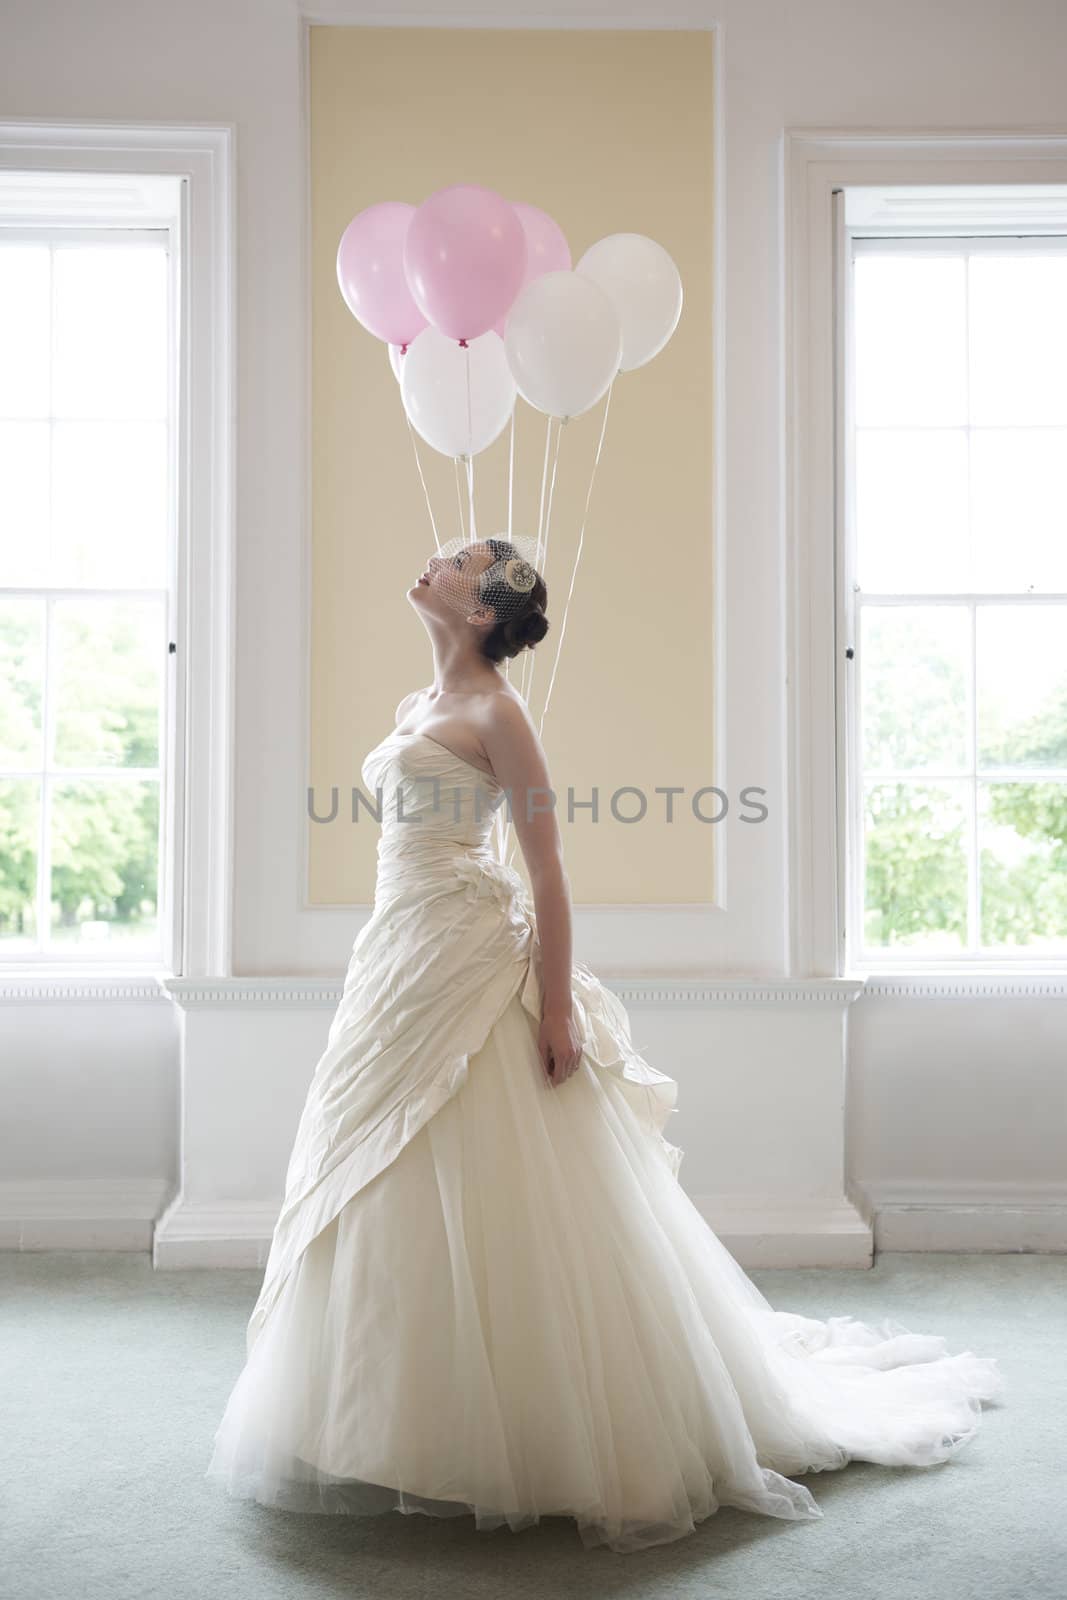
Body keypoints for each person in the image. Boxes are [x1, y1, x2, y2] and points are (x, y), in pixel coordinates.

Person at [205, 535, 1004, 1555]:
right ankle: (378, 1416)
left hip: (466, 952)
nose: (433, 561)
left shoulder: (500, 711)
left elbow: (546, 867)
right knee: (378, 1156)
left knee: (491, 1164)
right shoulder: (417, 707)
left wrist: (551, 1009)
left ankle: (530, 1429)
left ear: (485, 611)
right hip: (398, 950)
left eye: (458, 561)